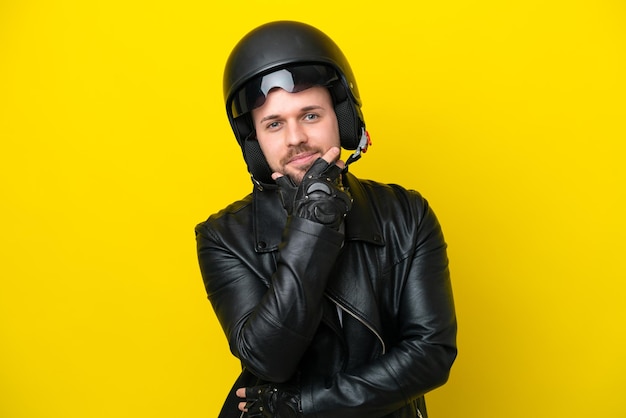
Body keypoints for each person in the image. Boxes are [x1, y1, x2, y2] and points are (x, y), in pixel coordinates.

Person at [195, 20, 457, 418]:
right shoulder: (221, 237)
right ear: (255, 142)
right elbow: (269, 360)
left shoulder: (407, 213)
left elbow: (431, 354)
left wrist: (305, 406)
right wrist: (313, 226)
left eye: (311, 115)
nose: (295, 137)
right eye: (274, 123)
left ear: (342, 118)